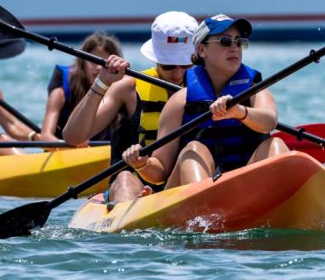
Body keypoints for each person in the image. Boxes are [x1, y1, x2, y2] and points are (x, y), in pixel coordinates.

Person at [120, 15, 286, 190]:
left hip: (243, 188)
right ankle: (209, 207)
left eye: (238, 42)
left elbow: (269, 121)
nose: (234, 48)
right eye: (225, 41)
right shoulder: (180, 101)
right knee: (193, 150)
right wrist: (141, 164)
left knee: (276, 145)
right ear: (201, 50)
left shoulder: (255, 91)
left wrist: (239, 112)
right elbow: (160, 171)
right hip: (197, 193)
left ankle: (279, 203)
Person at [61, 12, 198, 203]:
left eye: (185, 65)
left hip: (182, 181)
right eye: (168, 65)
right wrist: (102, 82)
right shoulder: (127, 88)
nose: (177, 73)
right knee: (125, 179)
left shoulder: (211, 89)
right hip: (133, 184)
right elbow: (73, 137)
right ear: (156, 58)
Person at [41, 32, 123, 141]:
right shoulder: (64, 85)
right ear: (82, 62)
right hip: (64, 150)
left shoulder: (123, 88)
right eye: (94, 61)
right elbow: (45, 136)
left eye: (105, 63)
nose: (99, 68)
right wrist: (71, 148)